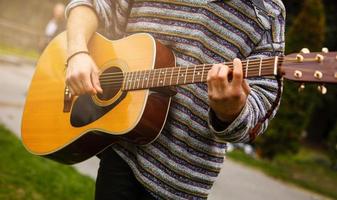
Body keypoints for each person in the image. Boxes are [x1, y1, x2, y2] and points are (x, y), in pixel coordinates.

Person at [65, 0, 285, 199]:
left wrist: (230, 113)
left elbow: (262, 105)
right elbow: (94, 5)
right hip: (122, 153)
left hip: (184, 180)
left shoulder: (268, 12)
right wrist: (77, 52)